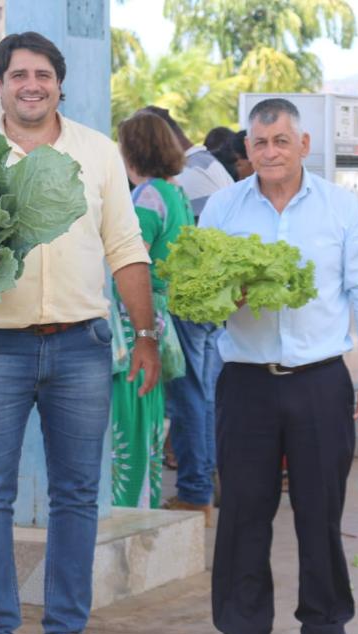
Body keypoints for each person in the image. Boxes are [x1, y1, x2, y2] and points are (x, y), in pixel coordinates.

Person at [0, 32, 159, 634]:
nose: (30, 85)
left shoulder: (97, 153)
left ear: (60, 83)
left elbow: (125, 245)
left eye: (42, 74)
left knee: (75, 494)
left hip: (81, 345)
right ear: (1, 85)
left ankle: (66, 630)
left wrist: (143, 336)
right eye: (17, 75)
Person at [197, 97, 358, 634]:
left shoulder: (339, 209)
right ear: (246, 150)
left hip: (320, 382)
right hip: (246, 381)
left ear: (303, 145)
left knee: (320, 508)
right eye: (259, 143)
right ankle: (240, 631)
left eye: (281, 141)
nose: (271, 152)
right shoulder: (224, 209)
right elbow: (198, 299)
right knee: (242, 508)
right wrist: (219, 299)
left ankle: (325, 631)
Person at [141, 106, 230, 521]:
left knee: (190, 399)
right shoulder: (180, 186)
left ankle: (195, 491)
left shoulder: (153, 193)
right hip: (204, 304)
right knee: (202, 397)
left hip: (180, 305)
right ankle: (202, 487)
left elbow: (132, 255)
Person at [111, 112, 195, 512]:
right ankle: (144, 501)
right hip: (159, 315)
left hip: (134, 318)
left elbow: (133, 258)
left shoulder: (146, 197)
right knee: (147, 415)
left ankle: (128, 506)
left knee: (128, 413)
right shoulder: (174, 193)